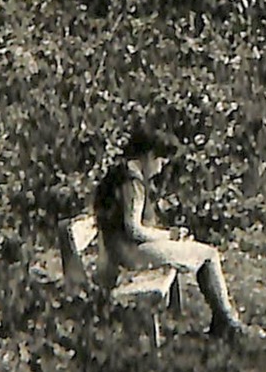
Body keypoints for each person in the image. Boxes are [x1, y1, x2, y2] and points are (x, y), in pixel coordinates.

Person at [94, 124, 247, 338]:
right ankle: (227, 322)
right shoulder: (131, 182)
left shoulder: (120, 173)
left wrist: (170, 236)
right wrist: (169, 236)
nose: (160, 167)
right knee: (209, 255)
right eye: (160, 160)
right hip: (131, 254)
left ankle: (224, 321)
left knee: (194, 249)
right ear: (148, 156)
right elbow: (134, 229)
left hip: (121, 249)